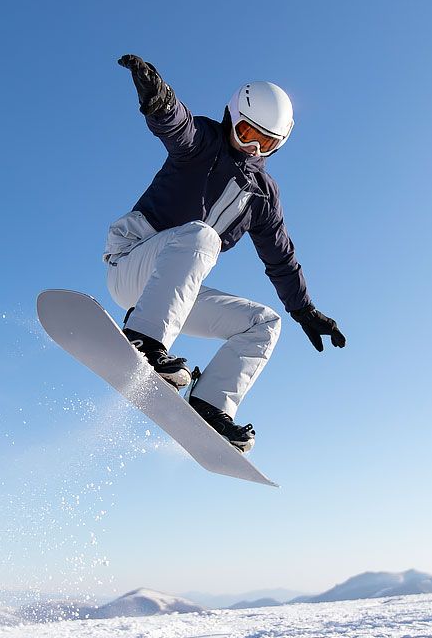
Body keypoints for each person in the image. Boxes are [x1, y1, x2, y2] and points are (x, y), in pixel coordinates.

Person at [103, 55, 345, 453]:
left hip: (171, 293)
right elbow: (177, 127)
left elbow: (279, 255)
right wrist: (160, 101)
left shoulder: (262, 195)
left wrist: (303, 309)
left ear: (276, 146)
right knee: (203, 237)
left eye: (264, 142)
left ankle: (209, 404)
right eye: (247, 131)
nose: (251, 145)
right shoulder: (204, 143)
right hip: (132, 263)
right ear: (231, 117)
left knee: (263, 324)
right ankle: (143, 339)